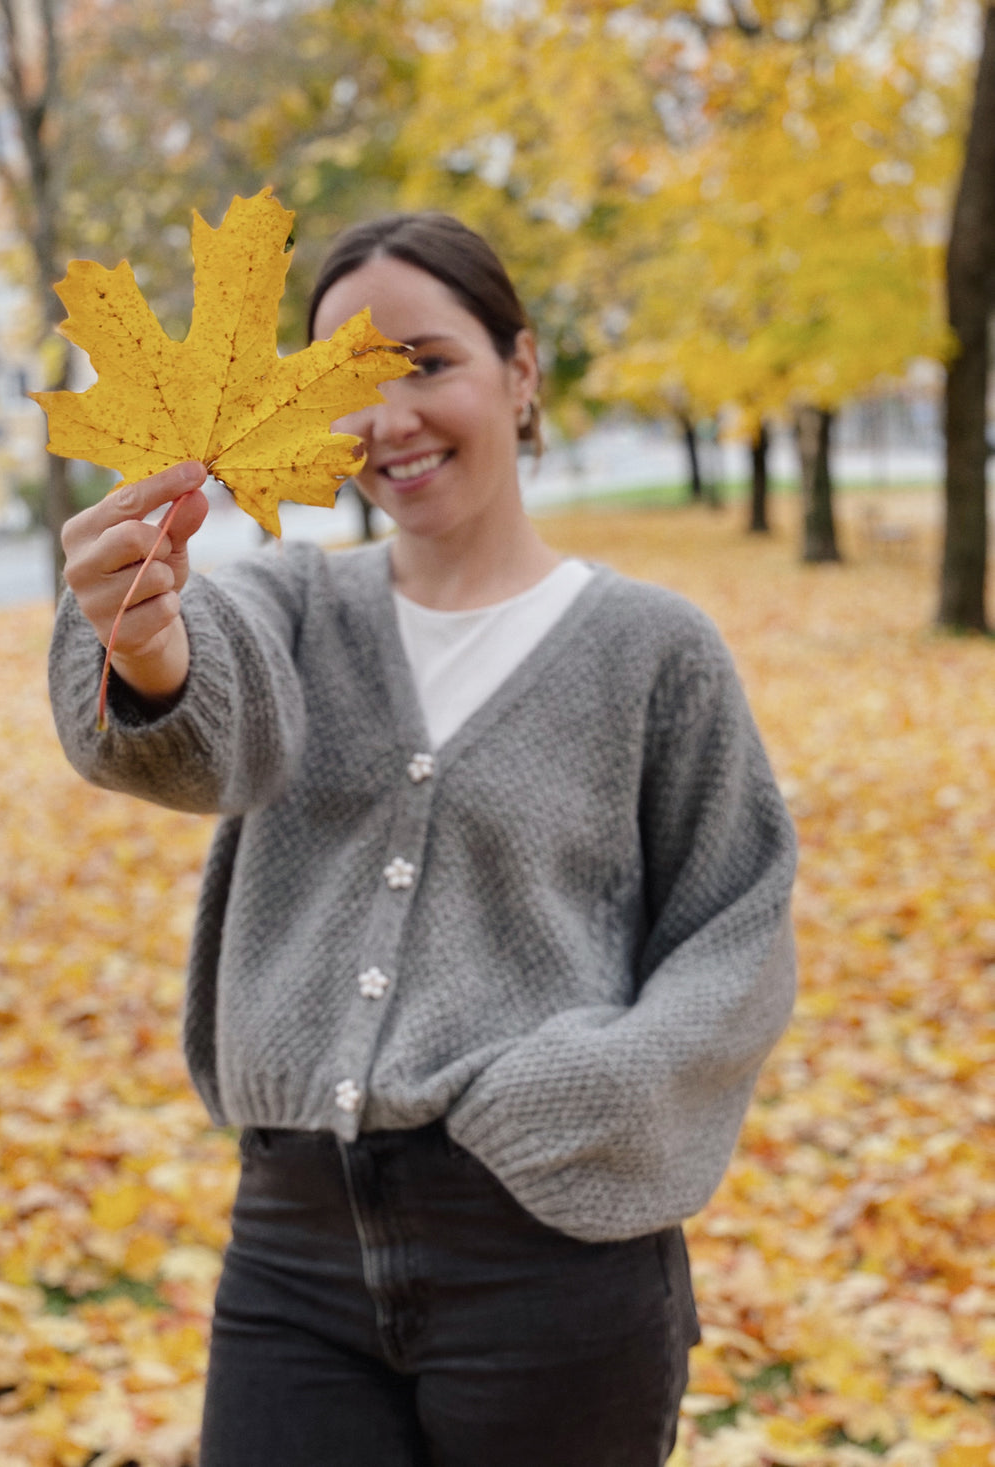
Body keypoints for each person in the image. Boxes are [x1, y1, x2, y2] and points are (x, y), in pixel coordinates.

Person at [49, 212, 798, 1467]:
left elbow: (737, 927)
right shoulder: (290, 604)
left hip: (548, 1254)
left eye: (428, 362)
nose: (387, 416)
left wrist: (585, 1093)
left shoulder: (650, 652)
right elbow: (195, 727)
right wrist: (142, 644)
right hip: (292, 1257)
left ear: (519, 368)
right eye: (348, 382)